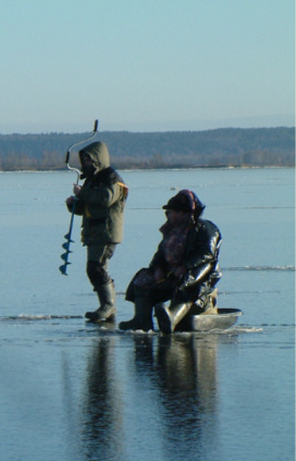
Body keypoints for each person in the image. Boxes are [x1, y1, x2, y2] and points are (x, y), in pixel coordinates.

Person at [119, 189, 222, 333]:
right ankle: (141, 319)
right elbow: (160, 254)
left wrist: (185, 267)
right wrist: (158, 269)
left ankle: (172, 318)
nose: (169, 215)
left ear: (184, 213)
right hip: (171, 274)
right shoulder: (171, 231)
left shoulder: (206, 229)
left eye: (172, 212)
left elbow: (207, 254)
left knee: (186, 286)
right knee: (142, 280)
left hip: (197, 275)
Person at [64, 141, 128, 323]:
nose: (86, 164)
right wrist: (73, 204)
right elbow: (87, 206)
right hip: (94, 232)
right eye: (84, 160)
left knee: (95, 268)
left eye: (89, 160)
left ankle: (108, 306)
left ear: (98, 159)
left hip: (107, 231)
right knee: (97, 268)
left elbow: (105, 199)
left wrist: (82, 193)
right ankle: (108, 308)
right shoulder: (92, 180)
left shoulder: (112, 179)